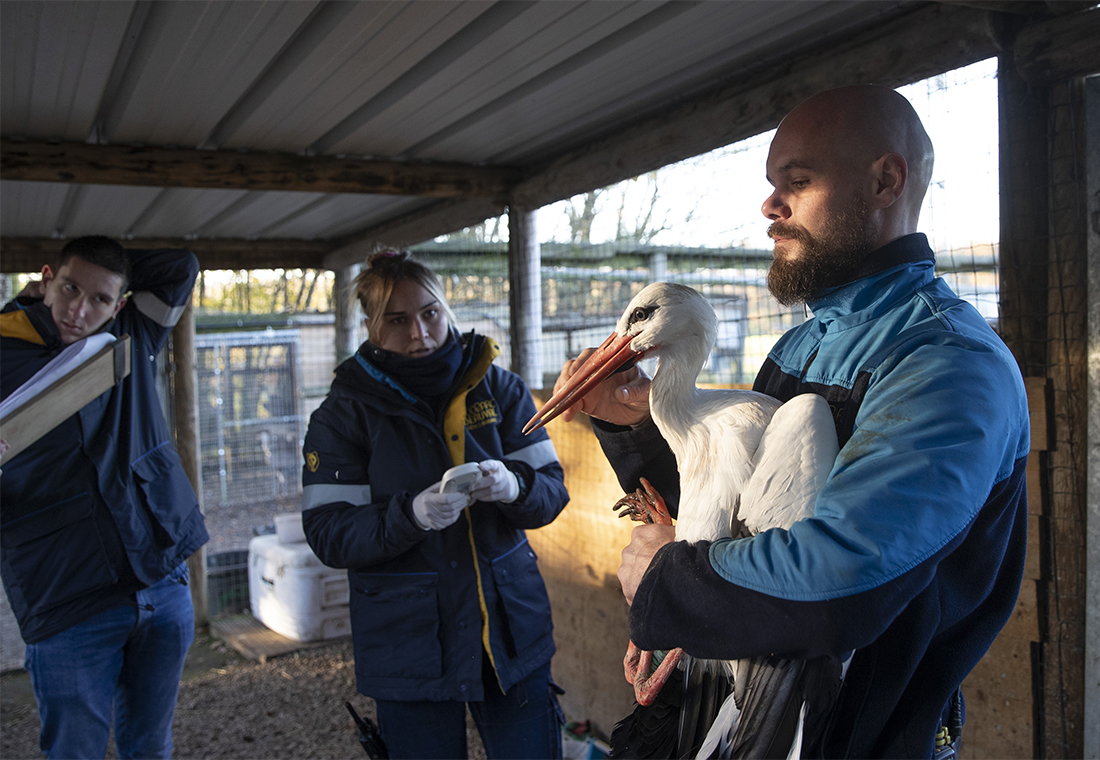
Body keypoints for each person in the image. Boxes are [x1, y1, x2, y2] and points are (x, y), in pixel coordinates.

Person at [552, 85, 1029, 758]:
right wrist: (633, 428)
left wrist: (670, 581)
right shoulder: (799, 348)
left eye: (796, 182)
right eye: (773, 185)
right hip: (748, 713)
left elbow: (839, 584)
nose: (769, 207)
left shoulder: (949, 364)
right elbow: (740, 521)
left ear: (884, 181)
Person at [301, 251, 569, 759]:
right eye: (397, 321)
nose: (420, 332)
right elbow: (328, 531)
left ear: (446, 308)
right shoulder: (343, 414)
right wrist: (409, 516)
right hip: (410, 646)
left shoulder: (500, 387)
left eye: (430, 313)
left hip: (509, 633)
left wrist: (516, 487)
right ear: (370, 326)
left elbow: (552, 489)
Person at [0, 235, 207, 759]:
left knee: (151, 747)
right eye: (69, 287)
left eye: (98, 299)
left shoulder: (134, 330)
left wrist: (107, 274)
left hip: (159, 575)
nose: (78, 310)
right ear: (45, 279)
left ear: (119, 304)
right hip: (66, 596)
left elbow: (181, 264)